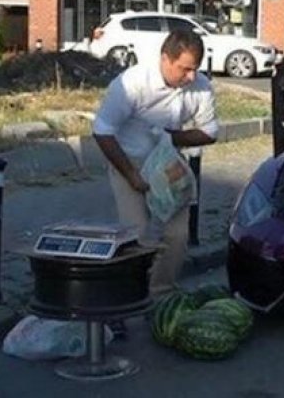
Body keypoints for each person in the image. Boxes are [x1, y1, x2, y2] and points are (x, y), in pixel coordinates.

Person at [93, 29, 219, 305]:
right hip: (130, 161)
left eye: (194, 70)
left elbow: (210, 132)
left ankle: (161, 296)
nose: (190, 77)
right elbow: (102, 131)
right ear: (165, 59)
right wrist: (131, 175)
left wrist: (170, 137)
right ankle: (127, 297)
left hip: (168, 163)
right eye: (184, 69)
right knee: (137, 234)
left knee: (177, 236)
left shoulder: (199, 85)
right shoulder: (131, 83)